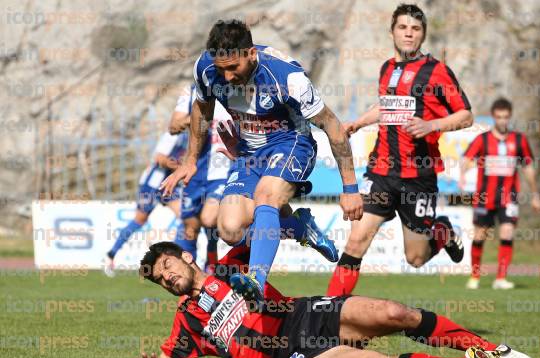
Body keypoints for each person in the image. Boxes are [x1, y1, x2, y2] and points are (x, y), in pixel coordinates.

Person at [128, 241, 538, 358]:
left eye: (167, 267)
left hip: (303, 314)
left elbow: (271, 220)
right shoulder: (187, 318)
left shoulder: (231, 264)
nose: (166, 278)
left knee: (394, 312)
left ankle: (490, 349)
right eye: (159, 280)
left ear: (185, 257)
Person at [160, 19, 363, 302]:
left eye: (234, 68)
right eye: (222, 69)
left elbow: (332, 126)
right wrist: (190, 160)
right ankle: (299, 227)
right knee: (229, 230)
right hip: (249, 153)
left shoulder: (287, 78)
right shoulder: (206, 70)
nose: (228, 76)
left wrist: (350, 189)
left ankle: (255, 278)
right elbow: (202, 109)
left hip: (292, 143)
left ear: (251, 54)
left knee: (266, 196)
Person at [327, 4, 471, 296]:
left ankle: (443, 232)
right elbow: (386, 105)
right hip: (381, 171)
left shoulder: (437, 71)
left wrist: (433, 126)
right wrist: (360, 122)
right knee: (356, 241)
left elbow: (466, 115)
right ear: (392, 31)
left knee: (415, 258)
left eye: (415, 29)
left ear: (423, 35)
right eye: (403, 27)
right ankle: (329, 314)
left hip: (419, 176)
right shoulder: (387, 68)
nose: (409, 33)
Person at [460, 98, 540, 290]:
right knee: (480, 236)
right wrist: (463, 175)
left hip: (509, 197)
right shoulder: (483, 139)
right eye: (499, 117)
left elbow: (528, 167)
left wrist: (535, 194)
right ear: (493, 117)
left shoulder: (519, 140)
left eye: (506, 117)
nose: (502, 121)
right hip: (484, 196)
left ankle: (501, 278)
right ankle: (474, 277)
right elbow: (466, 158)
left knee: (507, 232)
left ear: (510, 116)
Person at [101, 131, 186, 277]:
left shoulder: (192, 136)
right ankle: (110, 256)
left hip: (168, 183)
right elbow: (159, 158)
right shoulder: (174, 134)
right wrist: (181, 168)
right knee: (139, 220)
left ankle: (182, 262)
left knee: (185, 217)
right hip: (152, 184)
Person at [169, 84, 232, 271]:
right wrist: (199, 118)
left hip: (223, 171)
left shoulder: (238, 91)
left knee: (209, 218)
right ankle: (193, 277)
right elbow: (173, 126)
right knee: (190, 228)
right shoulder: (191, 91)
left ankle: (212, 260)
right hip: (195, 171)